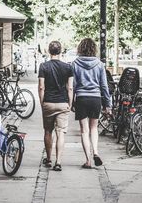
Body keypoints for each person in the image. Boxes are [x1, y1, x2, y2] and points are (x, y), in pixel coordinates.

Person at [72, 38, 112, 169]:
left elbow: (73, 85)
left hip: (82, 98)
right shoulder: (99, 64)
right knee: (94, 128)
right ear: (94, 49)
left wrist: (71, 101)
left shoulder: (75, 64)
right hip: (96, 99)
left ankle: (88, 160)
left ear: (80, 49)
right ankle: (96, 152)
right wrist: (108, 104)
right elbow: (104, 86)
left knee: (84, 130)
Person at [38, 41, 73, 171]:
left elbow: (41, 87)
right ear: (61, 51)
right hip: (62, 103)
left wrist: (42, 102)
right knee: (61, 133)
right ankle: (58, 162)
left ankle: (48, 159)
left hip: (48, 102)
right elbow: (70, 87)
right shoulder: (68, 67)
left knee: (48, 131)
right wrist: (70, 103)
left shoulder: (43, 66)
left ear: (48, 51)